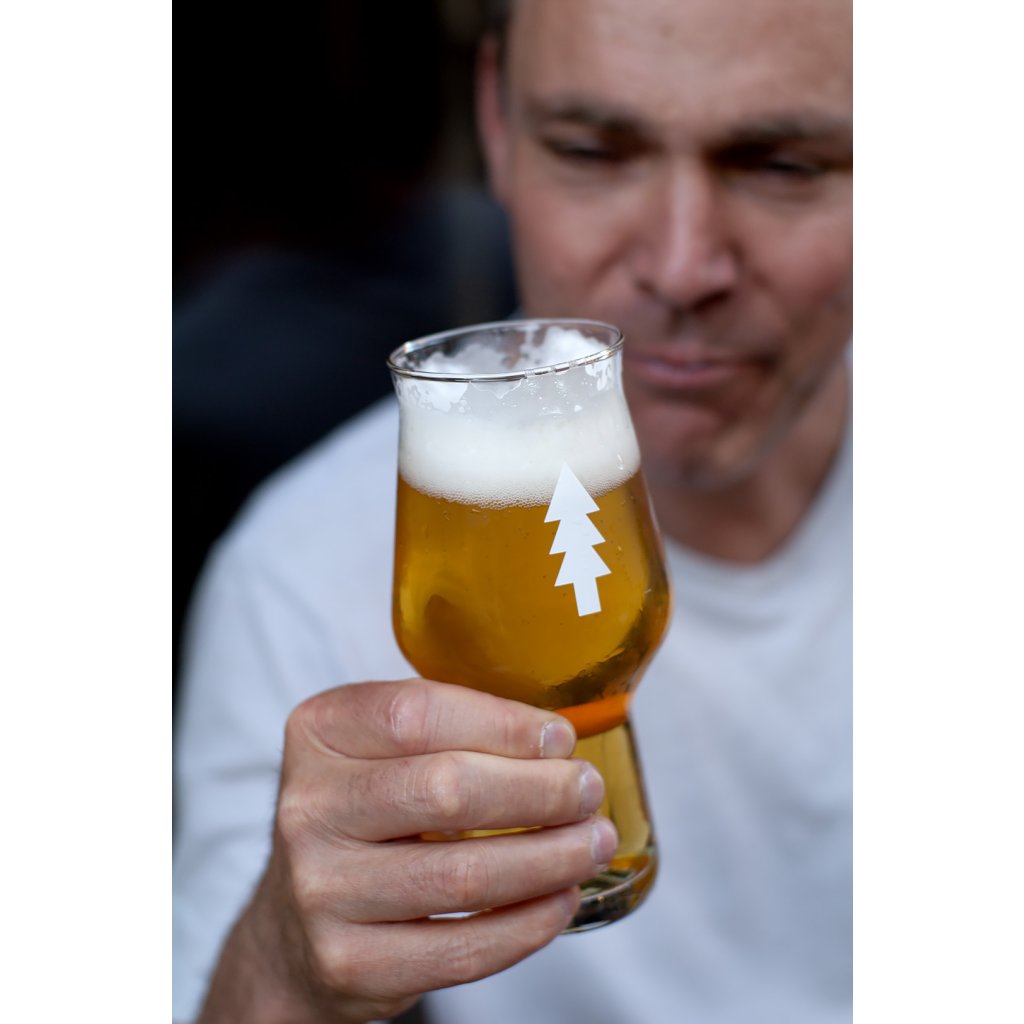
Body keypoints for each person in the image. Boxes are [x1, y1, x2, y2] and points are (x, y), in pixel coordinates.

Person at [172, 0, 852, 1021]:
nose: (680, 266)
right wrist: (284, 964)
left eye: (783, 165)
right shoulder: (295, 571)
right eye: (591, 151)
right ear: (495, 123)